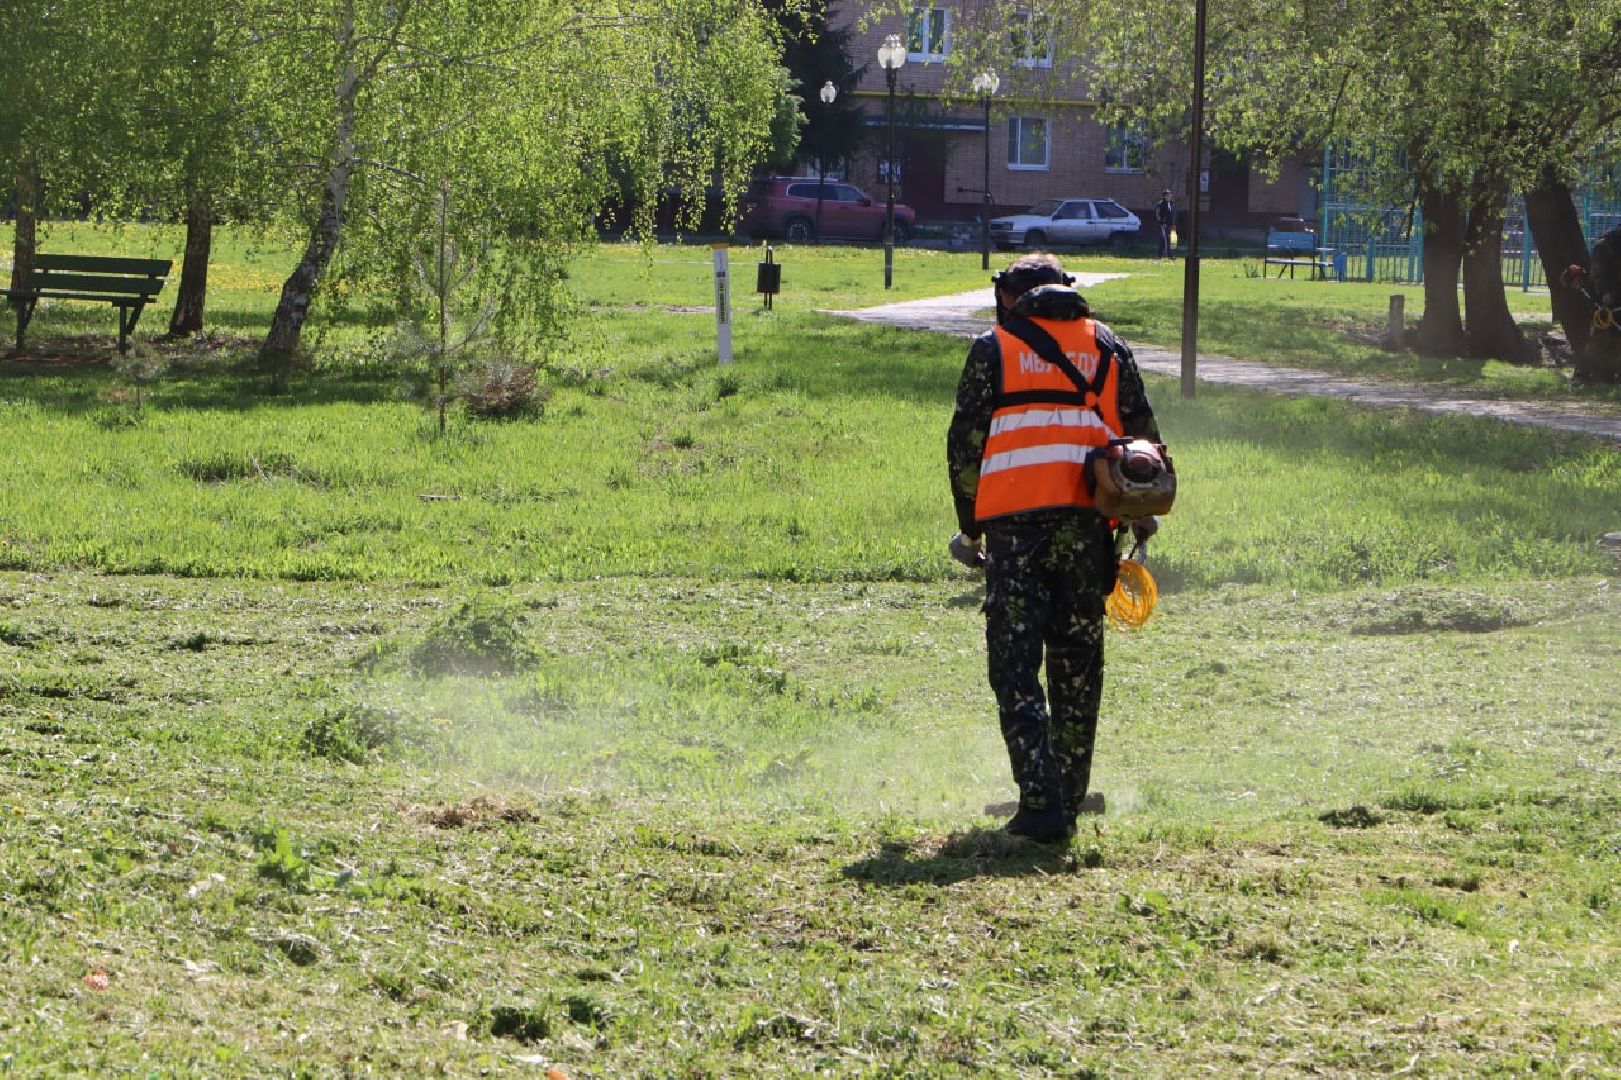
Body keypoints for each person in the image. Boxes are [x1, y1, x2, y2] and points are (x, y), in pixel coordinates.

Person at [947, 253, 1163, 843]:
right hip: (1090, 533)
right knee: (1077, 665)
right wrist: (1138, 518)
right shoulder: (1110, 347)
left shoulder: (994, 348)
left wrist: (971, 529)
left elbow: (965, 450)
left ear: (1010, 299)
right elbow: (1145, 439)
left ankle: (1040, 800)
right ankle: (1065, 797)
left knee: (1015, 666)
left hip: (1016, 534)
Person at [1155, 190, 1175, 259]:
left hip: (1171, 225)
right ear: (1165, 196)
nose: (1170, 196)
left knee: (1166, 240)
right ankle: (1170, 255)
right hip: (1164, 225)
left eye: (1171, 194)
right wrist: (1162, 223)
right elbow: (1158, 215)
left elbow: (1171, 214)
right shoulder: (1160, 204)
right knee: (1167, 240)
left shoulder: (1171, 203)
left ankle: (1158, 255)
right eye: (1168, 195)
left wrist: (1173, 224)